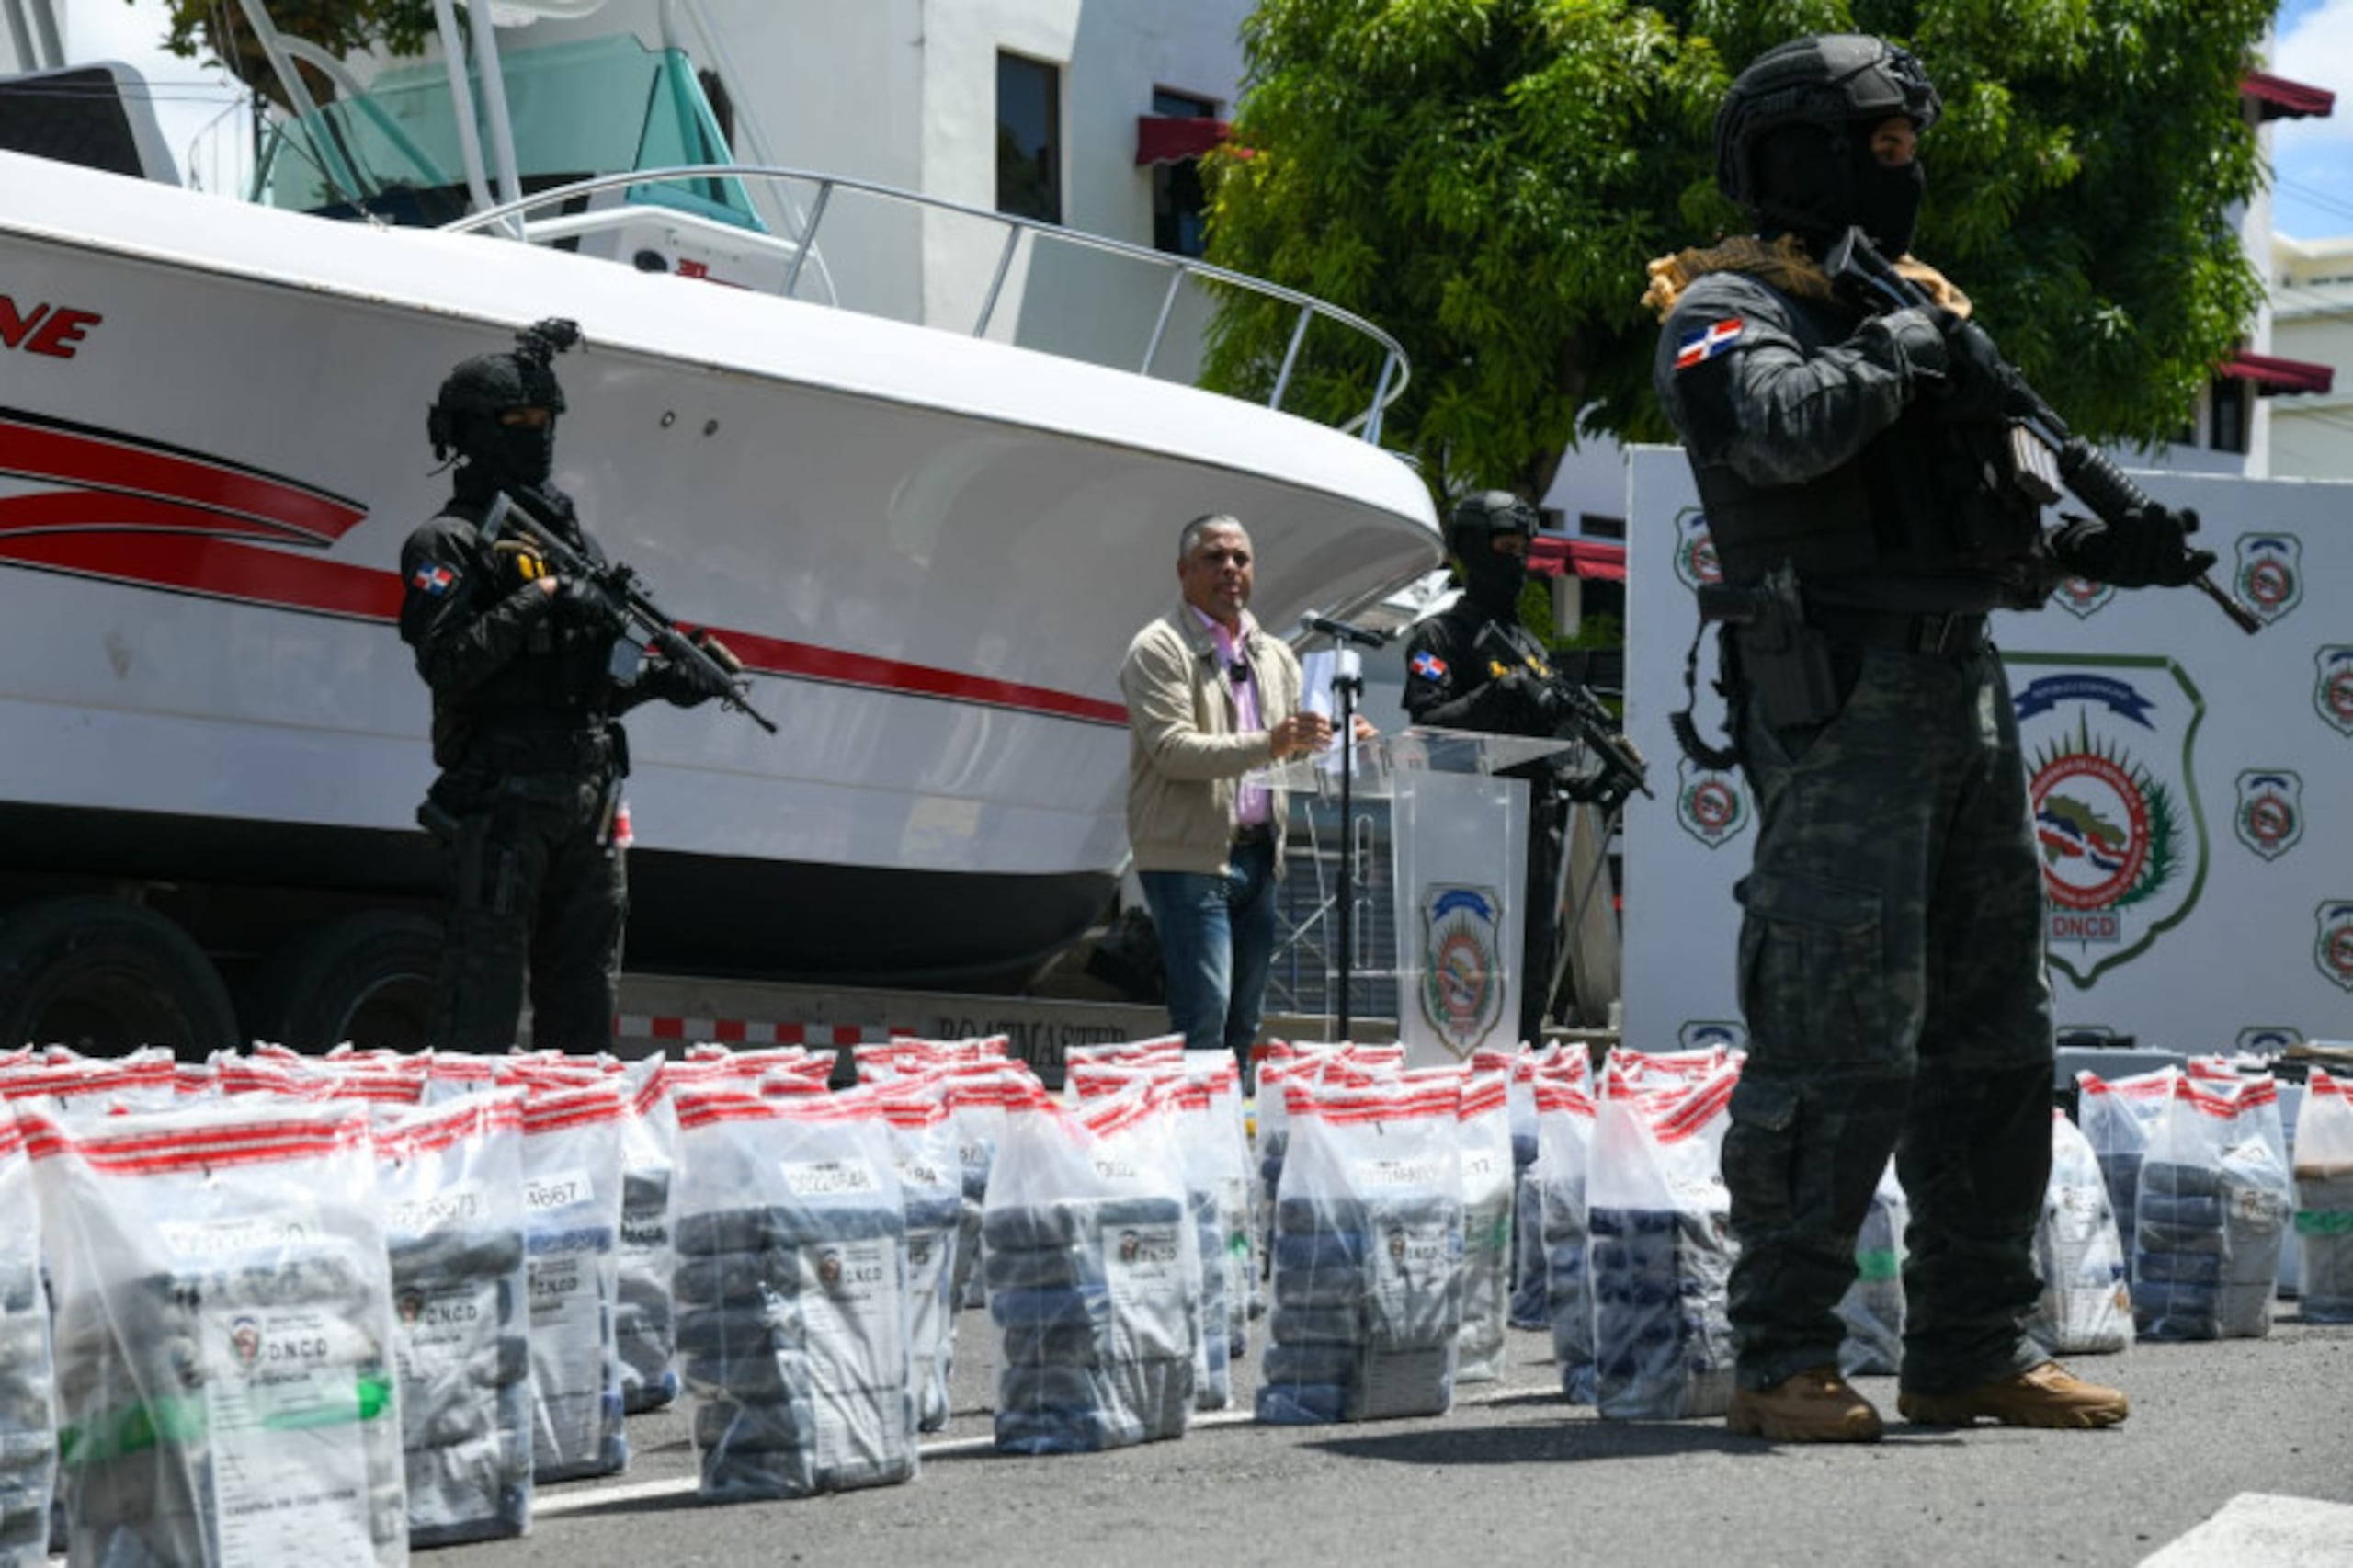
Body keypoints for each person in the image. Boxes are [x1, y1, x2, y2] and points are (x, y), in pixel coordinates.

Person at [1646, 35, 2208, 1442]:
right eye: (1881, 146)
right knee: (1839, 1035)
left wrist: (2103, 540)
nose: (1909, 172)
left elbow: (1995, 478)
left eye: (1911, 147)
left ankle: (1972, 1342)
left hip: (1962, 691)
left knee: (1995, 1035)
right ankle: (1785, 1352)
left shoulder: (1908, 304)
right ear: (1803, 154)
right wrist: (1900, 344)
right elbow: (1774, 435)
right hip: (1840, 700)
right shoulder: (1723, 306)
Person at [400, 319, 733, 1053]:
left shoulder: (574, 542)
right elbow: (447, 662)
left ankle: (570, 1146)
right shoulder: (450, 542)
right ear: (473, 431)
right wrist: (540, 597)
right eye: (518, 420)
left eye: (547, 420)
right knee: (481, 1001)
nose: (538, 435)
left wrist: (666, 680)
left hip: (588, 792)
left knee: (585, 997)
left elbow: (592, 683)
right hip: (503, 796)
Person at [1120, 514, 1369, 1080]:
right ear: (1183, 572)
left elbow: (1291, 751)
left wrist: (1343, 738)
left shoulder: (1275, 653)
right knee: (1204, 1016)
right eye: (1214, 557)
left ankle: (1226, 1140)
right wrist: (1273, 740)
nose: (1230, 568)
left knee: (1244, 1023)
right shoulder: (1158, 647)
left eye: (1241, 558)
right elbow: (1173, 750)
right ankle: (1195, 1145)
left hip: (1260, 857)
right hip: (1188, 857)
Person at [1399, 491, 1581, 1049]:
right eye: (1505, 548)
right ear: (1473, 551)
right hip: (1470, 836)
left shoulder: (1529, 644)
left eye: (1525, 550)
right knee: (1473, 970)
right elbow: (1429, 724)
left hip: (1534, 827)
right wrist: (1496, 692)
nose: (1519, 563)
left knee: (1532, 962)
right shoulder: (1440, 638)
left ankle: (1522, 1072)